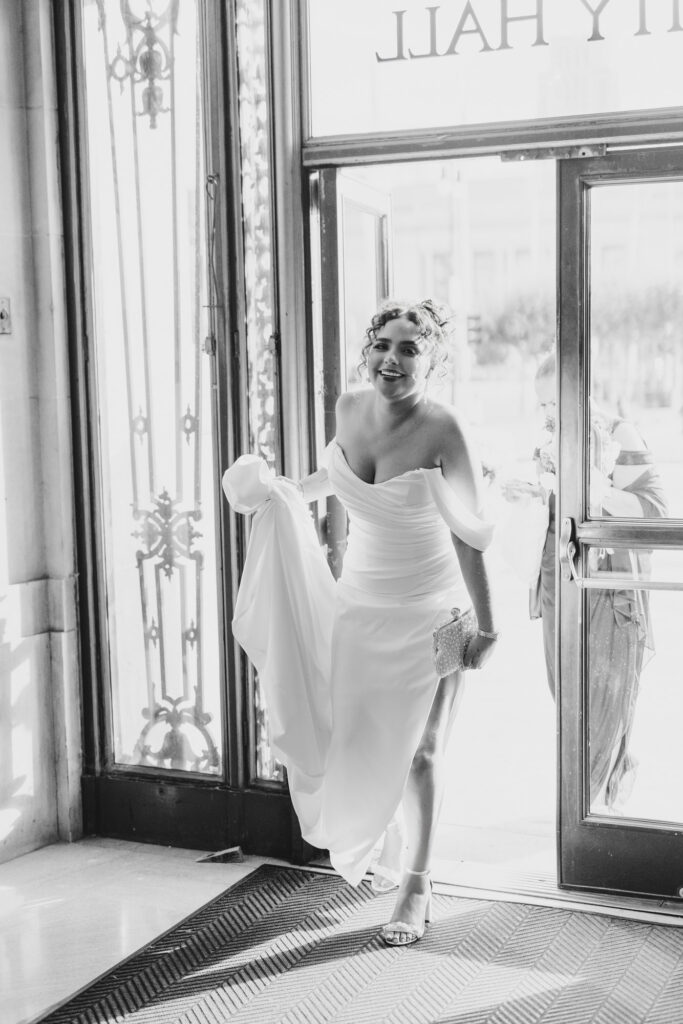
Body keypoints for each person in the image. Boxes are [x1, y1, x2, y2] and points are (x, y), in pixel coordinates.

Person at [225, 298, 499, 947]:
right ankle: (386, 839)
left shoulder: (445, 429)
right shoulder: (349, 408)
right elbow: (341, 479)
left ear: (431, 359)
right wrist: (286, 493)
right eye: (382, 344)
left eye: (408, 348)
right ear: (367, 350)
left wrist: (486, 627)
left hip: (434, 612)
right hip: (359, 610)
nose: (391, 359)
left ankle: (417, 885)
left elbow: (470, 534)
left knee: (422, 754)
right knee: (355, 741)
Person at [506, 351, 666, 811]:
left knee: (603, 695)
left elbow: (654, 510)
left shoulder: (620, 434)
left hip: (608, 586)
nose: (548, 415)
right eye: (541, 405)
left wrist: (598, 491)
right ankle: (604, 779)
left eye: (554, 402)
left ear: (582, 391)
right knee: (566, 693)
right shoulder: (552, 441)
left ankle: (583, 810)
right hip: (562, 581)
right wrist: (534, 492)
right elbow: (562, 509)